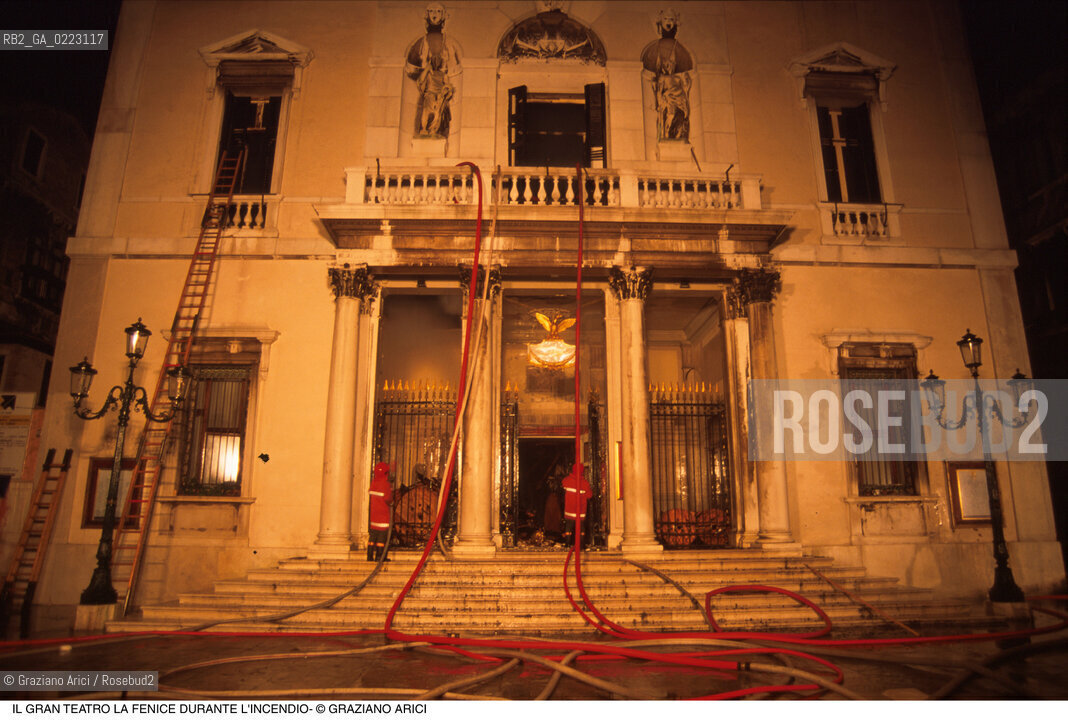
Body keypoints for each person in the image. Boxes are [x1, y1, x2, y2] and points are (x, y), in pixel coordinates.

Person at [405, 3, 462, 138]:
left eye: (438, 11)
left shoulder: (449, 45)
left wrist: (446, 89)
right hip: (429, 94)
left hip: (439, 96)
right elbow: (417, 76)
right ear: (427, 15)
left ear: (443, 16)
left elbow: (448, 79)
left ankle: (433, 130)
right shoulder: (421, 44)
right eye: (431, 11)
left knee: (438, 115)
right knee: (426, 112)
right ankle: (425, 129)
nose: (434, 14)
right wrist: (428, 69)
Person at [640, 9, 694, 142]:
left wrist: (687, 85)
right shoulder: (663, 78)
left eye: (671, 19)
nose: (669, 22)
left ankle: (678, 137)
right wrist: (660, 103)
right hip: (668, 100)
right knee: (670, 116)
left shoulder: (677, 77)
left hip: (680, 100)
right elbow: (658, 91)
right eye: (666, 19)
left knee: (680, 117)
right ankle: (667, 135)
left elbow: (685, 90)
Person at [367, 462, 393, 561]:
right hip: (383, 516)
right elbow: (388, 499)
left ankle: (369, 556)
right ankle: (380, 556)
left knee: (373, 536)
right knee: (382, 538)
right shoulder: (385, 484)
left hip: (374, 515)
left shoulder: (374, 483)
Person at [562, 463, 591, 547]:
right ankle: (581, 545)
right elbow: (589, 495)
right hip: (580, 512)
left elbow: (562, 489)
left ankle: (567, 543)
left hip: (569, 511)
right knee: (581, 529)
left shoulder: (566, 480)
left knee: (568, 528)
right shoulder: (585, 483)